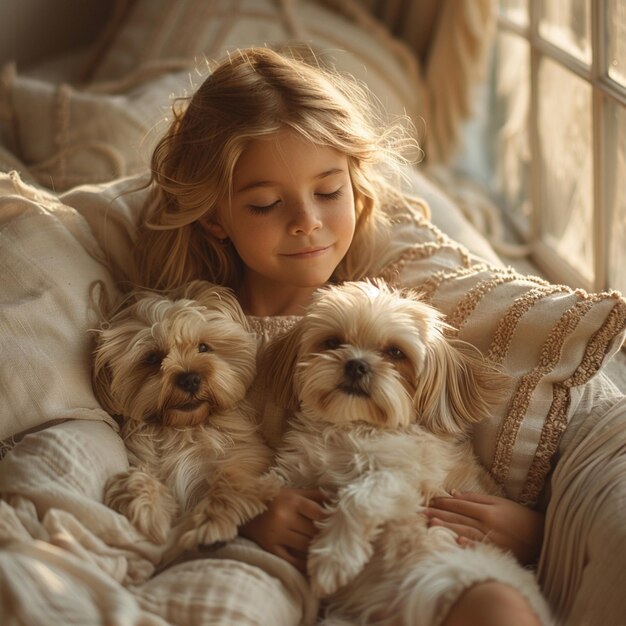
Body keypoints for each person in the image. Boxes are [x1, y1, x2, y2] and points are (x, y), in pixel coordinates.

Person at [133, 46, 546, 626]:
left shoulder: (397, 305)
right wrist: (245, 511)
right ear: (215, 217)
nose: (307, 221)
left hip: (420, 560)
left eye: (328, 192)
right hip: (266, 565)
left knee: (497, 609)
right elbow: (166, 459)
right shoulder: (200, 337)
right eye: (266, 203)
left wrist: (531, 529)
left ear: (356, 187)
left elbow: (452, 459)